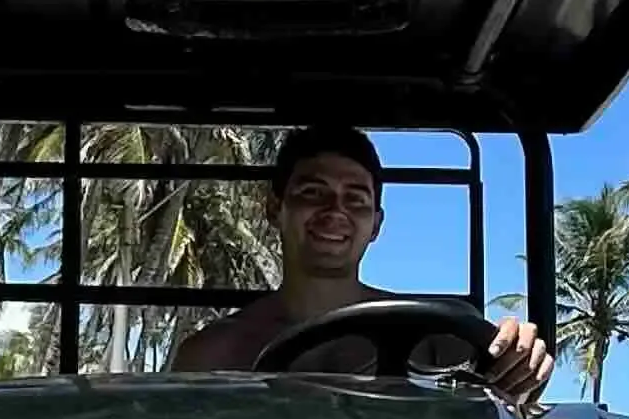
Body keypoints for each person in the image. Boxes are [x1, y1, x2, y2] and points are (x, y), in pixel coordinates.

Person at [167, 123, 552, 403]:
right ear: (274, 209)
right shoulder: (213, 353)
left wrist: (521, 366)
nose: (335, 211)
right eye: (313, 193)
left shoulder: (439, 335)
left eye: (356, 199)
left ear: (376, 225)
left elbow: (503, 411)